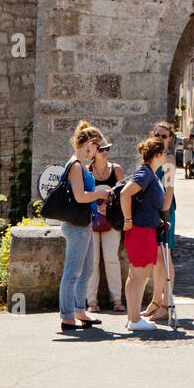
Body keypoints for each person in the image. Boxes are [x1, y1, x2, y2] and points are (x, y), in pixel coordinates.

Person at [58, 121, 113, 334]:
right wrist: (100, 194)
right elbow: (80, 196)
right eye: (97, 148)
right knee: (72, 272)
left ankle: (79, 311)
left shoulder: (80, 164)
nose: (97, 153)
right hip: (76, 225)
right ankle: (67, 316)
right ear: (89, 144)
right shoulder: (76, 165)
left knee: (87, 269)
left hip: (85, 222)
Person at [121, 136, 167, 332]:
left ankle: (133, 317)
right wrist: (128, 220)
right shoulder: (146, 174)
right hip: (141, 230)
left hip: (143, 229)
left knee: (135, 275)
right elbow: (125, 193)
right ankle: (135, 319)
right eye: (164, 153)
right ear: (157, 155)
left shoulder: (149, 174)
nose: (165, 156)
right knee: (140, 276)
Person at [143, 121, 178, 322]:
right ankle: (155, 301)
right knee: (156, 258)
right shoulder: (152, 157)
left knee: (165, 256)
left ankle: (167, 303)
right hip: (153, 210)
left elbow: (169, 191)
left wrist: (162, 215)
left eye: (164, 136)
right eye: (157, 134)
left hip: (164, 210)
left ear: (170, 138)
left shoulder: (169, 160)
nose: (160, 138)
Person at [87, 138, 125, 313]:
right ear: (95, 152)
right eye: (102, 149)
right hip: (91, 219)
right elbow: (82, 195)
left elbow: (122, 194)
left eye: (107, 148)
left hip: (110, 219)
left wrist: (108, 204)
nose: (105, 151)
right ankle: (92, 300)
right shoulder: (87, 171)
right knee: (92, 261)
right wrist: (96, 205)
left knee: (111, 258)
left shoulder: (116, 170)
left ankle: (116, 299)